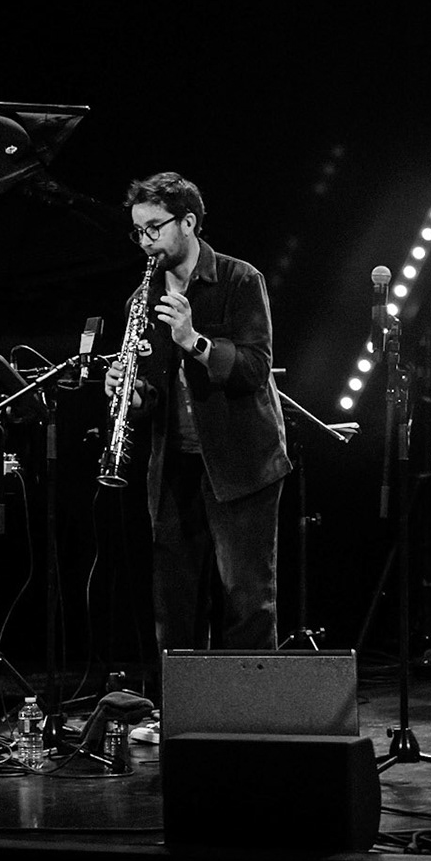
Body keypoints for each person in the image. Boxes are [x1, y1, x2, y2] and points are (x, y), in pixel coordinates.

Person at [105, 173, 291, 686]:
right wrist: (129, 392)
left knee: (247, 599)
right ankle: (185, 719)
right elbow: (151, 398)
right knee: (176, 602)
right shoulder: (138, 301)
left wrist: (193, 340)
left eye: (155, 229)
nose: (147, 242)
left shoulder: (238, 280)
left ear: (188, 222)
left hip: (242, 462)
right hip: (175, 466)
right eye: (138, 232)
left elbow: (254, 368)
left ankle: (254, 717)